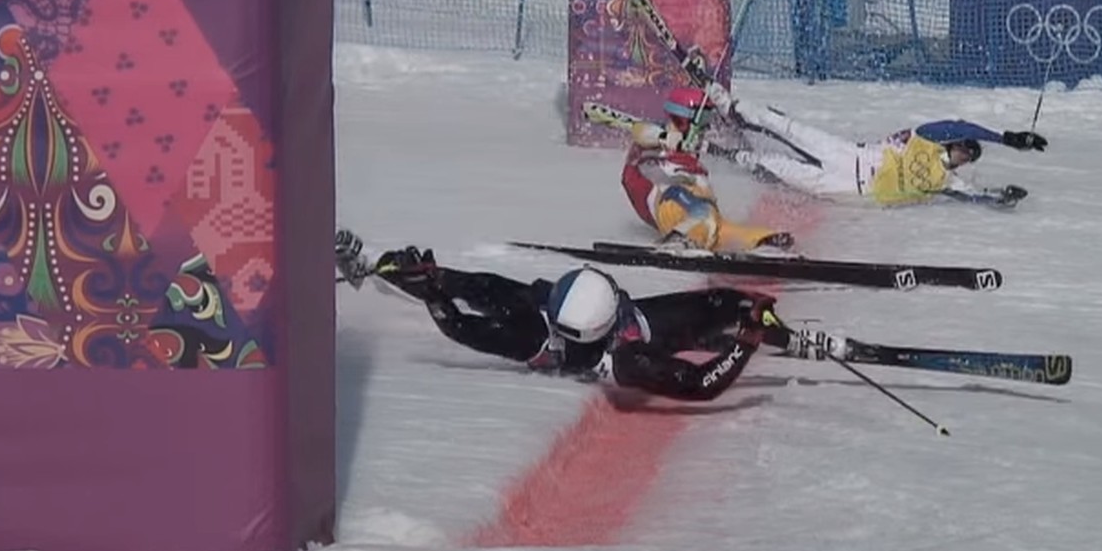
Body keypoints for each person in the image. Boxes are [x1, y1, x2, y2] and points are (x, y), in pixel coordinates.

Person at [333, 230, 834, 401]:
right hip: (595, 333)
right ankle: (379, 271)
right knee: (465, 290)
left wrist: (744, 312)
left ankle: (388, 271)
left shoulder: (565, 314)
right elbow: (700, 387)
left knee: (473, 284)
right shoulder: (627, 363)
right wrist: (746, 340)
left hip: (594, 316)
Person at [699, 81, 1046, 207]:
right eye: (965, 148)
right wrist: (1007, 139)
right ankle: (727, 103)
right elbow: (958, 124)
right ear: (955, 143)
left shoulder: (947, 182)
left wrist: (1004, 197)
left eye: (969, 157)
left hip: (853, 190)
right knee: (789, 127)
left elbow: (977, 197)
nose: (964, 156)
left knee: (773, 166)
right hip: (851, 155)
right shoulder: (926, 137)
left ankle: (713, 151)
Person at [618, 86, 793, 252]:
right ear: (681, 117)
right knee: (703, 213)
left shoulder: (693, 152)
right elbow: (639, 132)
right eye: (701, 120)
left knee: (722, 228)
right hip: (671, 203)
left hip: (702, 213)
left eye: (708, 119)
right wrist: (663, 137)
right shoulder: (655, 141)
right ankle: (678, 240)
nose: (706, 127)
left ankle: (763, 247)